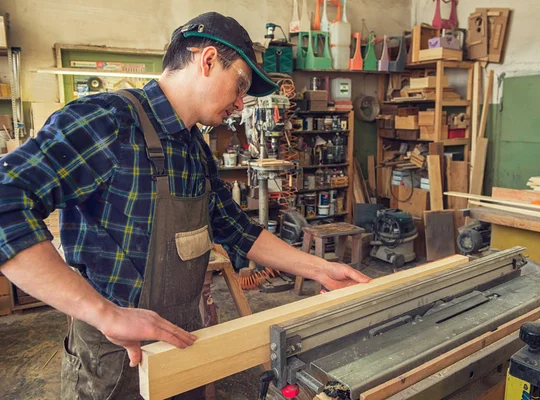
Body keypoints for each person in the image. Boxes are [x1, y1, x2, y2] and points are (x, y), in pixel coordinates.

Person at [0, 12, 370, 399]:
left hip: (180, 343)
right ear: (207, 60)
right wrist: (103, 313)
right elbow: (5, 201)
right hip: (113, 357)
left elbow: (237, 229)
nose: (241, 104)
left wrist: (321, 269)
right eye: (240, 85)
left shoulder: (194, 146)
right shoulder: (107, 120)